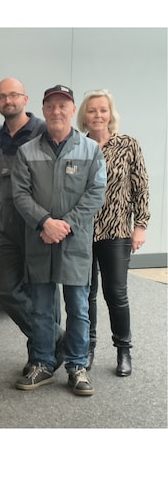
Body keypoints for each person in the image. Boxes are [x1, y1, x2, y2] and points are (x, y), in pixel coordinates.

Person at [11, 85, 106, 396]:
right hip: (40, 238)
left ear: (72, 109)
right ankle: (42, 362)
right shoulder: (27, 152)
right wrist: (44, 222)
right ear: (43, 109)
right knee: (41, 308)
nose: (56, 111)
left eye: (63, 105)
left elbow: (96, 193)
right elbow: (20, 195)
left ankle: (77, 366)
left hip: (74, 241)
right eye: (50, 105)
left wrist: (65, 225)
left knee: (78, 307)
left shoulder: (90, 150)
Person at [0, 78, 64, 376]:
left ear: (25, 99)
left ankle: (41, 356)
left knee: (44, 293)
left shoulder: (43, 132)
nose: (8, 100)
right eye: (2, 97)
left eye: (13, 95)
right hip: (10, 229)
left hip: (40, 226)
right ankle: (56, 340)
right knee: (4, 289)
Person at [76, 89, 150, 377]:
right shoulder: (77, 146)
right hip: (82, 231)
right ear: (84, 116)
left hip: (116, 230)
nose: (97, 115)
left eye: (103, 110)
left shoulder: (128, 145)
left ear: (110, 114)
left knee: (116, 293)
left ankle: (123, 349)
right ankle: (87, 347)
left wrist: (140, 225)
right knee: (86, 294)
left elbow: (140, 187)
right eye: (92, 110)